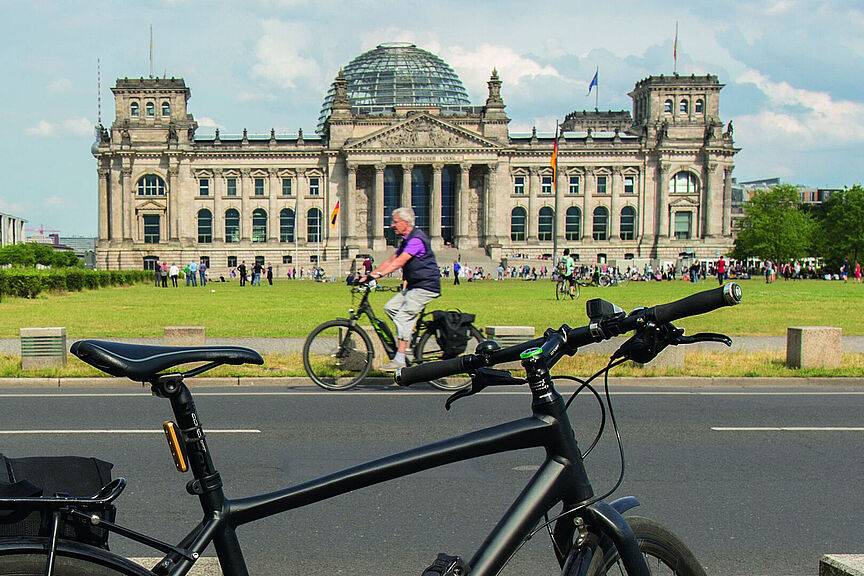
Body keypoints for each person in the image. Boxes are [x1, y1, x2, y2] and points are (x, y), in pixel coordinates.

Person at [362, 207, 440, 371]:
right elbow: (391, 260)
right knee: (390, 308)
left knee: (403, 317)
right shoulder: (406, 240)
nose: (392, 225)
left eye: (395, 222)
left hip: (425, 286)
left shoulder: (416, 239)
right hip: (414, 286)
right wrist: (369, 275)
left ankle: (400, 359)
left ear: (405, 223)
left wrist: (377, 276)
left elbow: (399, 262)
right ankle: (407, 342)